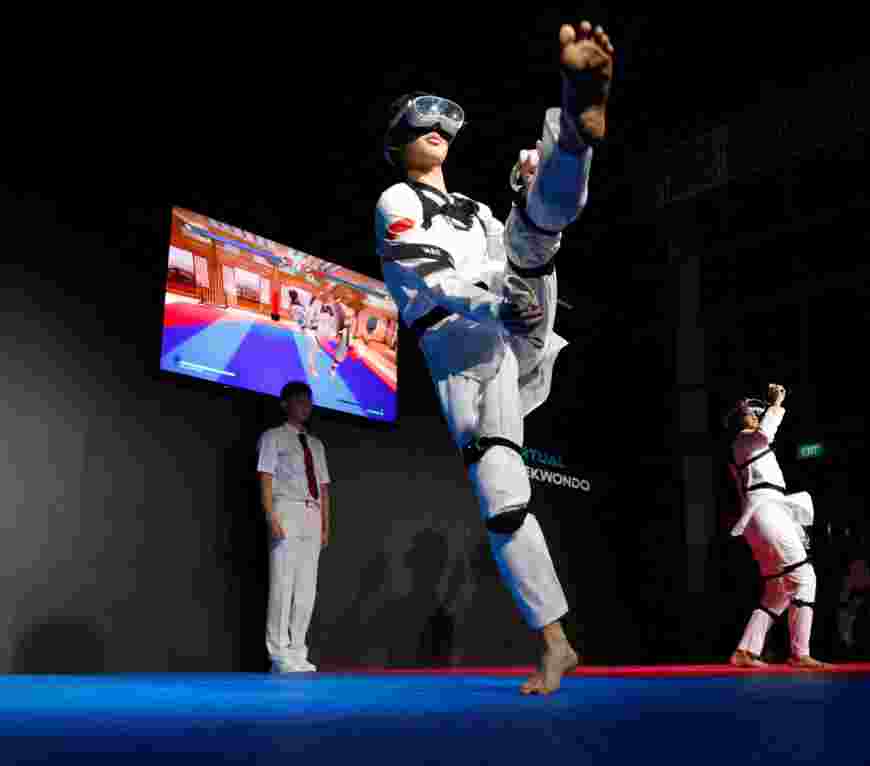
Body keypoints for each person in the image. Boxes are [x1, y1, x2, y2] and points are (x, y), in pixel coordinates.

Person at [374, 20, 614, 695]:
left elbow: (498, 257)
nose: (438, 133)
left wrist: (515, 194)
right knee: (505, 500)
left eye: (444, 128)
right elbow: (426, 281)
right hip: (461, 347)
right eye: (423, 127)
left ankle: (571, 130)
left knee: (536, 227)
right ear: (400, 145)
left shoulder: (473, 208)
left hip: (502, 331)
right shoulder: (396, 200)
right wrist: (498, 301)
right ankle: (556, 643)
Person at [725, 384, 828, 669]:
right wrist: (776, 405)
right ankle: (800, 653)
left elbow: (763, 435)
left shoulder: (746, 442)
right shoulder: (744, 440)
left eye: (756, 411)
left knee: (779, 590)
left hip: (764, 514)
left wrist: (771, 409)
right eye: (748, 412)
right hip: (766, 511)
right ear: (739, 420)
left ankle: (745, 650)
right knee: (804, 576)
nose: (754, 414)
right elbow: (764, 435)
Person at [257, 381, 331, 673]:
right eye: (299, 400)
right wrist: (270, 515)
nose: (305, 406)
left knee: (306, 587)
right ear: (285, 403)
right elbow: (265, 476)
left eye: (309, 401)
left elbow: (324, 489)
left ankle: (298, 650)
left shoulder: (317, 444)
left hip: (312, 512)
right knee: (283, 582)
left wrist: (326, 525)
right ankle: (279, 653)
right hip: (286, 507)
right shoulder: (272, 437)